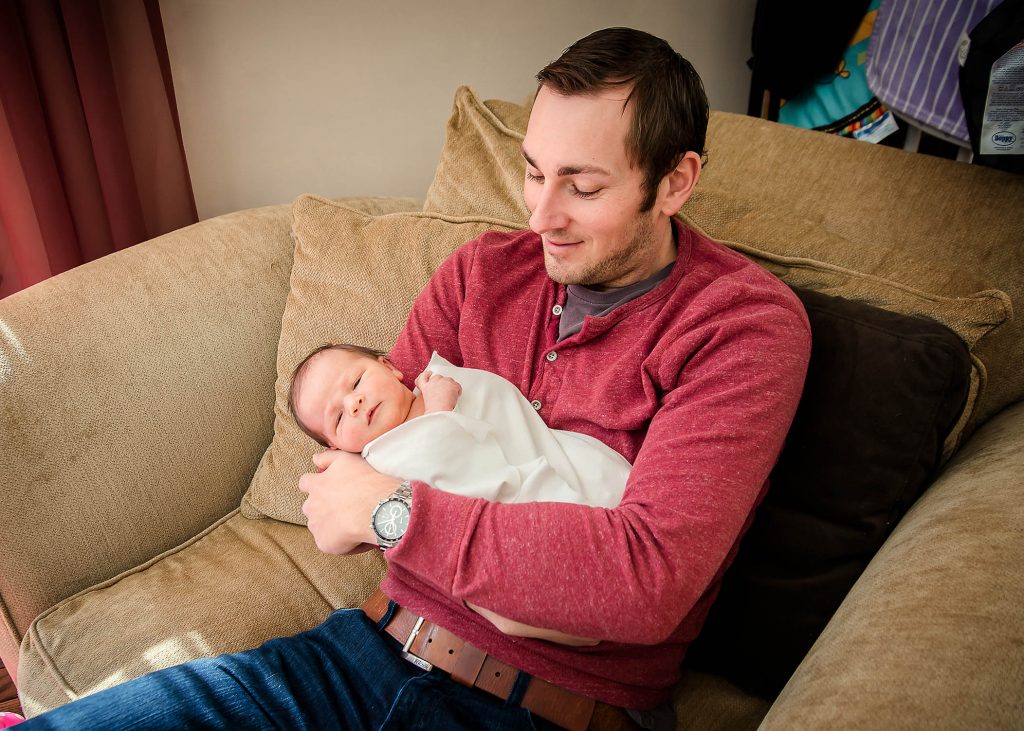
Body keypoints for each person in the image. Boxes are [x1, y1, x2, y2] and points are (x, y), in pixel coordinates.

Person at [20, 27, 811, 730]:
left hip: (552, 707)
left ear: (674, 182)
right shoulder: (478, 276)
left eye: (584, 185)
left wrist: (398, 516)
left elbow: (639, 581)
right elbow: (356, 472)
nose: (538, 217)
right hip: (361, 651)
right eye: (534, 172)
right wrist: (424, 517)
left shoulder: (741, 326)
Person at [289, 345, 631, 508]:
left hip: (584, 465)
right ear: (337, 448)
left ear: (390, 367)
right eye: (337, 418)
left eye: (357, 382)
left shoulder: (435, 378)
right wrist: (439, 413)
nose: (354, 403)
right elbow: (457, 487)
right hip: (540, 509)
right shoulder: (383, 462)